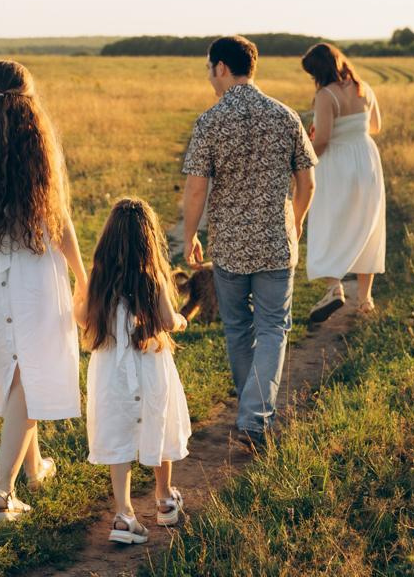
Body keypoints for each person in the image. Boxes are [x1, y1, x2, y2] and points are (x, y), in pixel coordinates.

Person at [0, 61, 87, 523]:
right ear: (29, 100)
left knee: (18, 368)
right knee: (30, 372)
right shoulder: (36, 146)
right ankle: (2, 496)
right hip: (32, 270)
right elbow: (58, 221)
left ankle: (34, 467)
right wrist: (82, 277)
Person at [182, 35, 317, 449]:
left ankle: (251, 415)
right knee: (273, 327)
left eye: (210, 68)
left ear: (222, 67)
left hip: (230, 246)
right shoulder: (285, 116)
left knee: (239, 327)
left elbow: (196, 190)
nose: (209, 76)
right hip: (276, 242)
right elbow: (307, 182)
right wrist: (296, 222)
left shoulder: (210, 121)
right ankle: (255, 418)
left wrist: (190, 235)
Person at [74, 197, 191, 545]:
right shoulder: (152, 277)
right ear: (149, 239)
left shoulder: (98, 278)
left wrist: (78, 298)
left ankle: (124, 514)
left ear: (107, 238)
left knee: (119, 433)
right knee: (159, 422)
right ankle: (164, 498)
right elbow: (167, 321)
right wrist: (181, 320)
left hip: (111, 370)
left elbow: (82, 318)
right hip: (151, 364)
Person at [301, 42, 386, 323]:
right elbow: (375, 127)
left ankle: (334, 288)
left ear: (319, 71)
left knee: (329, 221)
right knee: (368, 226)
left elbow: (323, 140)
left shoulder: (326, 95)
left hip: (338, 162)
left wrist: (304, 159)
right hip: (366, 158)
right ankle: (365, 300)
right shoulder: (365, 88)